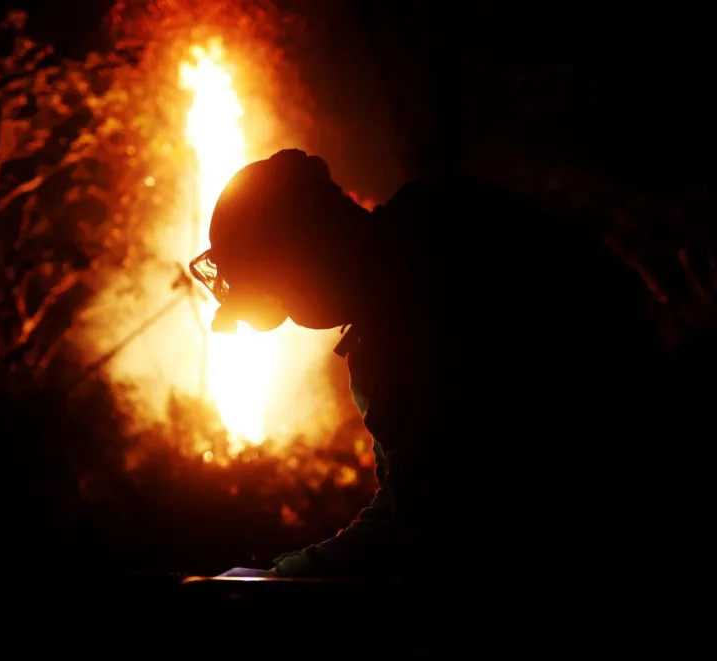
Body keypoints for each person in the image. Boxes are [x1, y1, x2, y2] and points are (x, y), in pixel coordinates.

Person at [190, 149, 681, 593]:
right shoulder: (441, 218)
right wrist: (282, 577)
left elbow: (431, 523)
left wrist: (273, 583)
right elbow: (410, 507)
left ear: (310, 248)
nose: (294, 314)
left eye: (285, 296)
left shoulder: (416, 300)